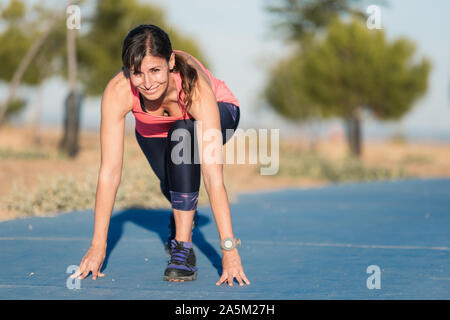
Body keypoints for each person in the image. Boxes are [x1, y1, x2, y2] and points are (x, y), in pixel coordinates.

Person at [72, 24, 250, 287]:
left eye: (155, 70)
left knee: (184, 134)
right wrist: (98, 246)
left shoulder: (194, 88)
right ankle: (182, 212)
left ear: (170, 62)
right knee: (173, 184)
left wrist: (229, 250)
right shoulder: (118, 91)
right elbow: (109, 173)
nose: (147, 83)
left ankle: (183, 250)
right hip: (154, 131)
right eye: (137, 73)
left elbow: (213, 178)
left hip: (219, 112)